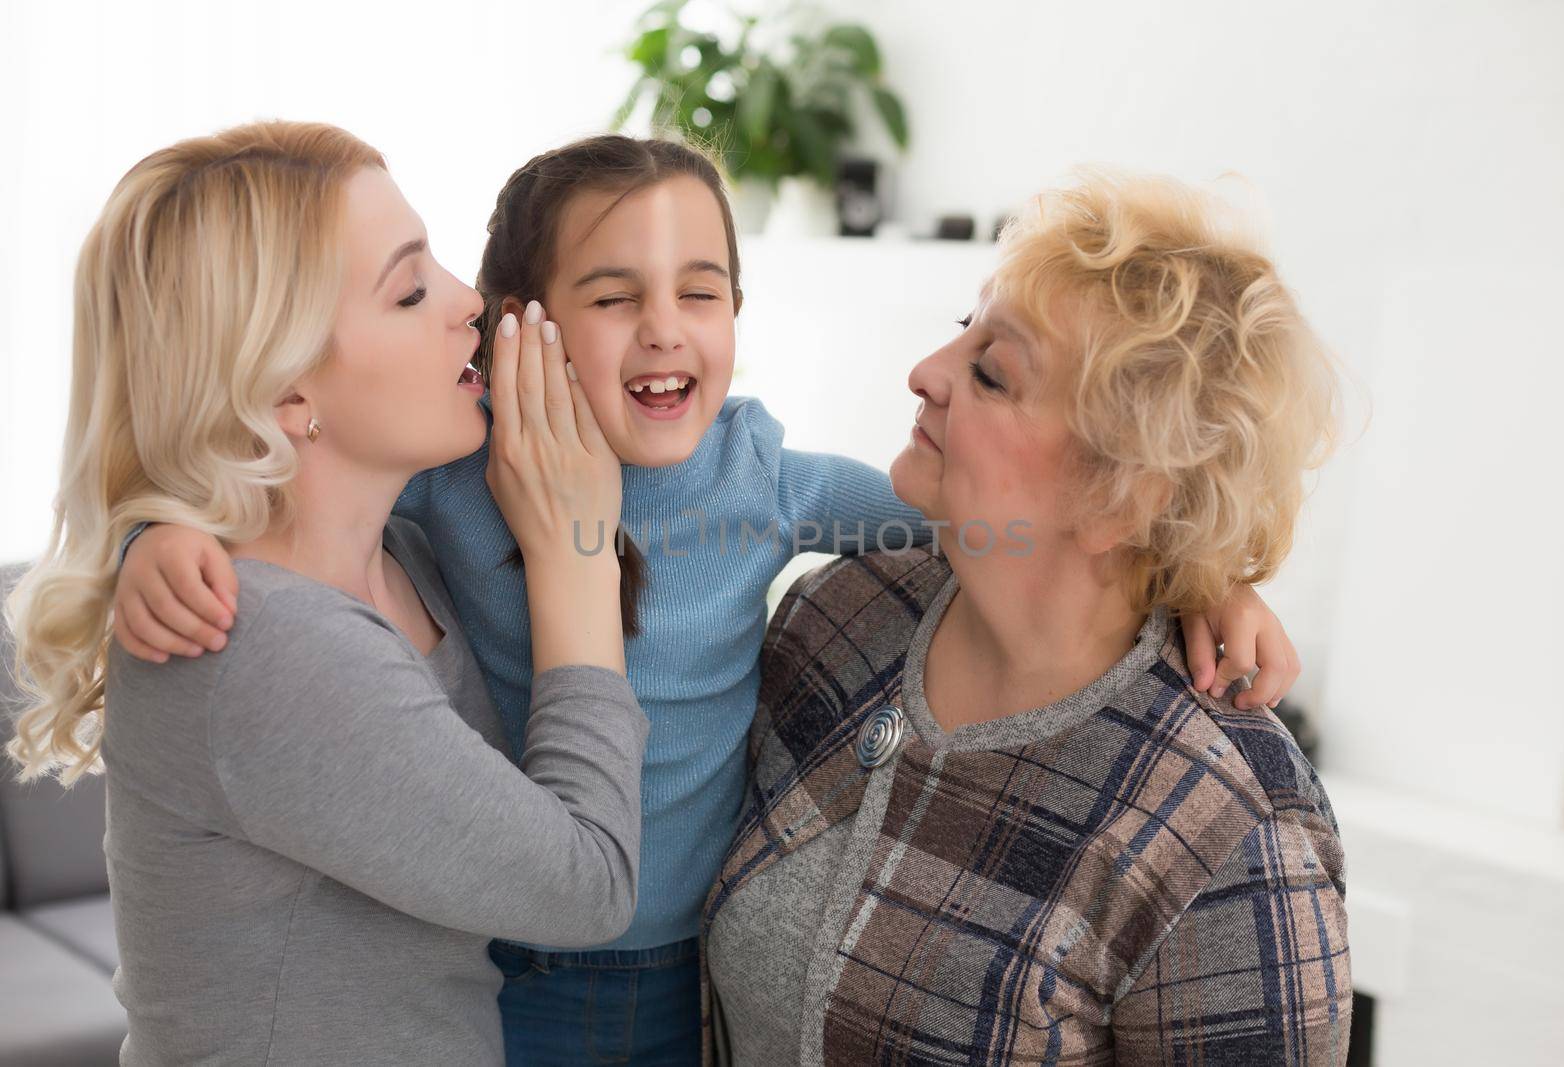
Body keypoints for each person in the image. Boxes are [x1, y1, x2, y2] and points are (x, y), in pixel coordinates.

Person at [111, 137, 1305, 1064]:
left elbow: (1003, 525)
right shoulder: (448, 482)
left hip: (686, 968)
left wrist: (1207, 574)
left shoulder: (763, 482)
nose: (667, 330)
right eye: (614, 294)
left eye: (704, 291)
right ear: (518, 324)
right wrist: (159, 532)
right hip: (503, 949)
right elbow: (267, 482)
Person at [4, 121, 647, 1065]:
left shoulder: (404, 556)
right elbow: (588, 886)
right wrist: (580, 558)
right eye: (410, 289)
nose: (473, 303)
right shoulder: (265, 640)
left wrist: (154, 529)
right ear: (283, 392)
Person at [704, 170, 1350, 1064]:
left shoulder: (1229, 834)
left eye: (993, 373)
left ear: (1120, 494)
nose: (925, 373)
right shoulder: (838, 618)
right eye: (961, 331)